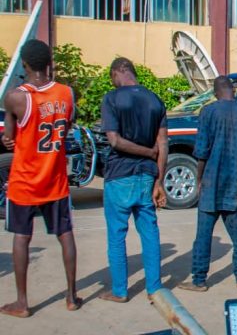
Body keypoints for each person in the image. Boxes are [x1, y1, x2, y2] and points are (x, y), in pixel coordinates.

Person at [1, 39, 80, 317]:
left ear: (24, 64)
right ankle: (71, 296)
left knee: (22, 238)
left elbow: (9, 137)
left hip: (25, 181)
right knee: (65, 234)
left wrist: (9, 139)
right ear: (49, 64)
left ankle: (22, 303)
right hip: (55, 180)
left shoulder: (15, 97)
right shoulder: (67, 93)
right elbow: (66, 124)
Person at [99, 57, 168, 303]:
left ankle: (120, 291)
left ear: (118, 71)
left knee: (117, 235)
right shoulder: (155, 100)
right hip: (147, 177)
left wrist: (146, 152)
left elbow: (115, 141)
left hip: (119, 175)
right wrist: (159, 181)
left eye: (112, 77)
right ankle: (154, 288)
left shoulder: (112, 98)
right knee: (149, 232)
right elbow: (162, 143)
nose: (113, 82)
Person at [178, 76, 237, 292]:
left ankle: (199, 280)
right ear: (233, 90)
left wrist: (200, 179)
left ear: (215, 92)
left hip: (211, 183)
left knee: (203, 235)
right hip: (234, 184)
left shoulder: (208, 112)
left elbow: (202, 150)